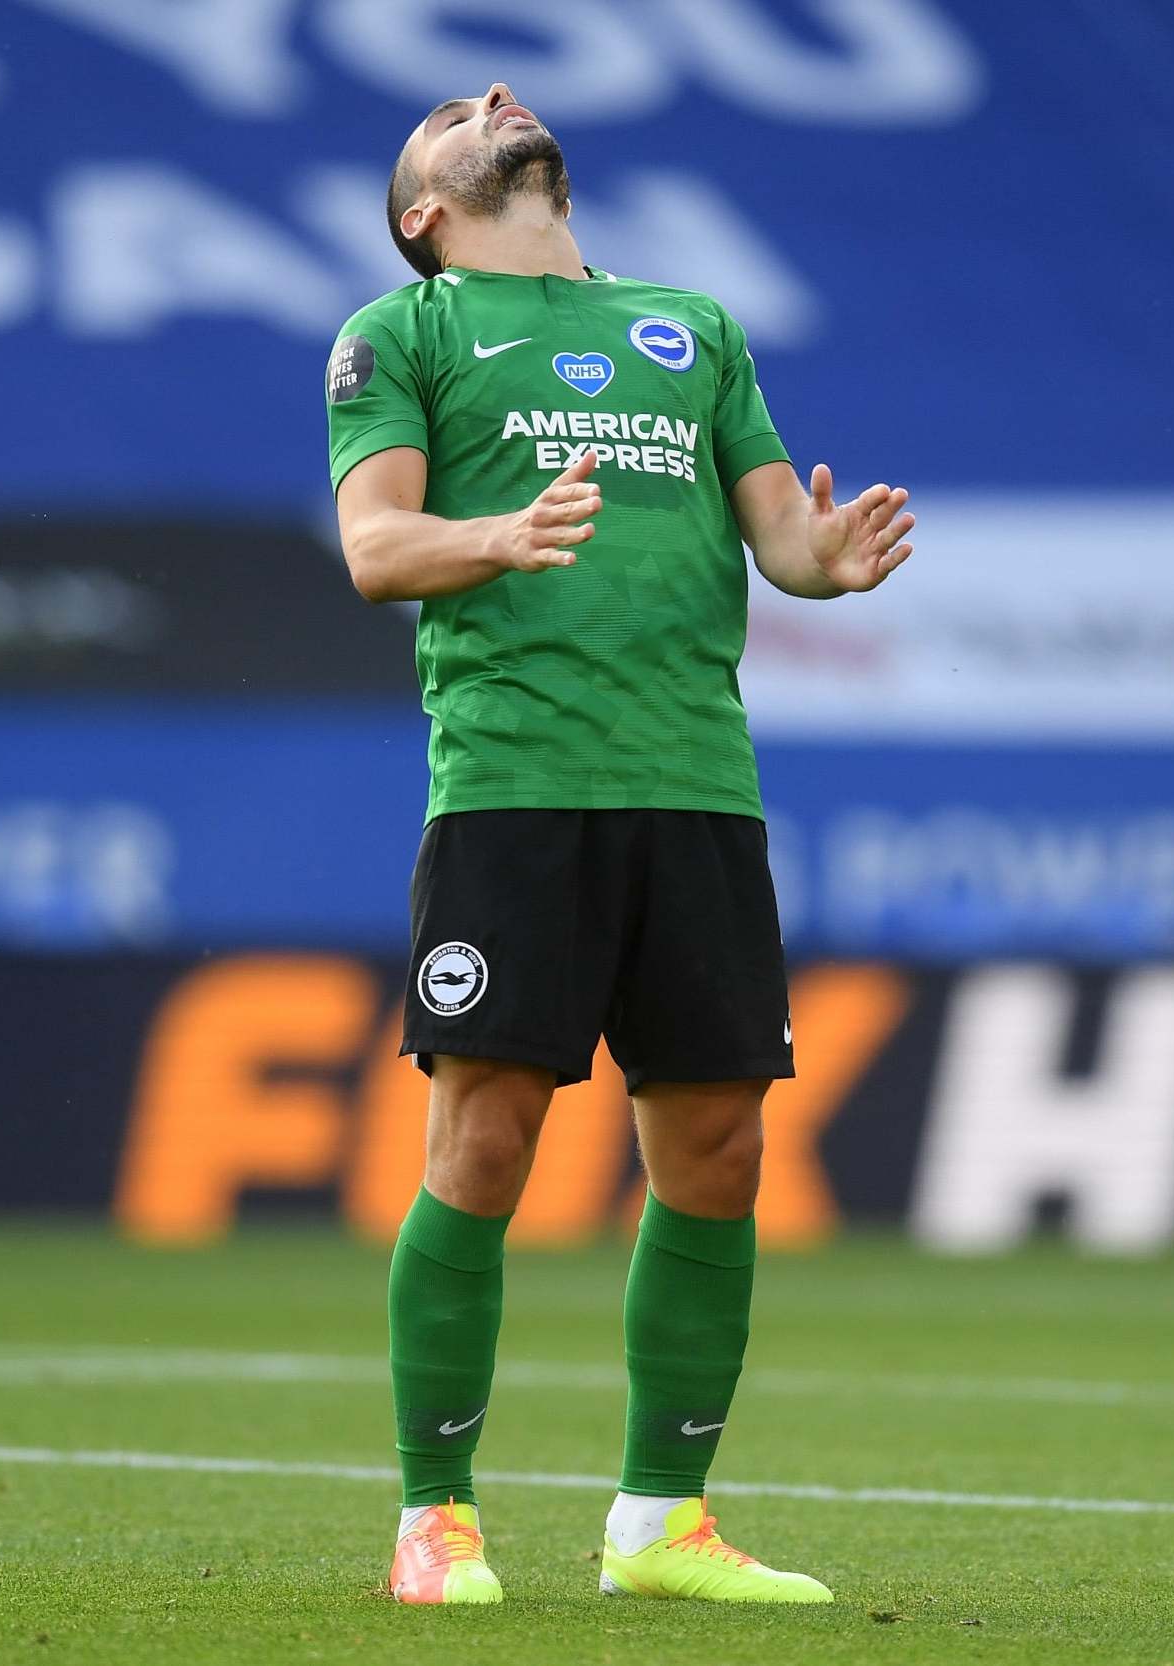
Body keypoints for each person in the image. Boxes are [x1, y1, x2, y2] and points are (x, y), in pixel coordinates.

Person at [324, 82, 916, 1607]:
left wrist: (824, 563)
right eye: (455, 112)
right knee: (490, 1140)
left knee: (717, 1154)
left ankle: (662, 1522)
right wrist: (495, 537)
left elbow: (778, 534)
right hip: (515, 784)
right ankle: (434, 1513)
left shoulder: (693, 327)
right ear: (423, 215)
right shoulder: (404, 336)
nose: (497, 101)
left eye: (499, 95)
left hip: (697, 789)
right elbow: (376, 547)